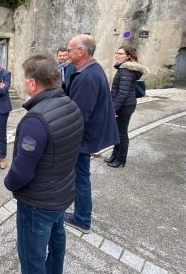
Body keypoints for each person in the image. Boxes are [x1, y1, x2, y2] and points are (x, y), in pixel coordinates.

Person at [4, 55, 84, 274]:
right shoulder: (70, 104)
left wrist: (9, 182)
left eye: (24, 79)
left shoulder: (36, 120)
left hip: (37, 202)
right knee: (57, 239)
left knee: (32, 256)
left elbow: (22, 172)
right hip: (62, 193)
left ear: (32, 83)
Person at [64, 34, 119, 234]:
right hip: (89, 135)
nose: (67, 53)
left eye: (70, 50)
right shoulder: (92, 69)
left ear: (81, 51)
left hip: (84, 138)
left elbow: (78, 115)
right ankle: (81, 214)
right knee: (81, 176)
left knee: (81, 177)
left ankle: (82, 218)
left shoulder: (86, 76)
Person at [105, 46, 147, 167]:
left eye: (121, 53)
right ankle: (114, 155)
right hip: (124, 105)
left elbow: (122, 93)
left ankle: (121, 159)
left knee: (121, 133)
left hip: (125, 106)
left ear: (128, 56)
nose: (117, 55)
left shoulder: (126, 70)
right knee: (118, 132)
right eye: (116, 53)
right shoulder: (124, 68)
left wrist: (114, 109)